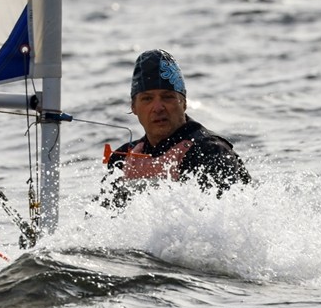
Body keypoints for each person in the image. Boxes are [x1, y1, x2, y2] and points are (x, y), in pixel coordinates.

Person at [101, 49, 250, 208]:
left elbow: (233, 216)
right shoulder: (121, 159)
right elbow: (99, 218)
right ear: (134, 107)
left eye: (167, 97)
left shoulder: (211, 152)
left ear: (183, 103)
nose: (158, 107)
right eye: (147, 99)